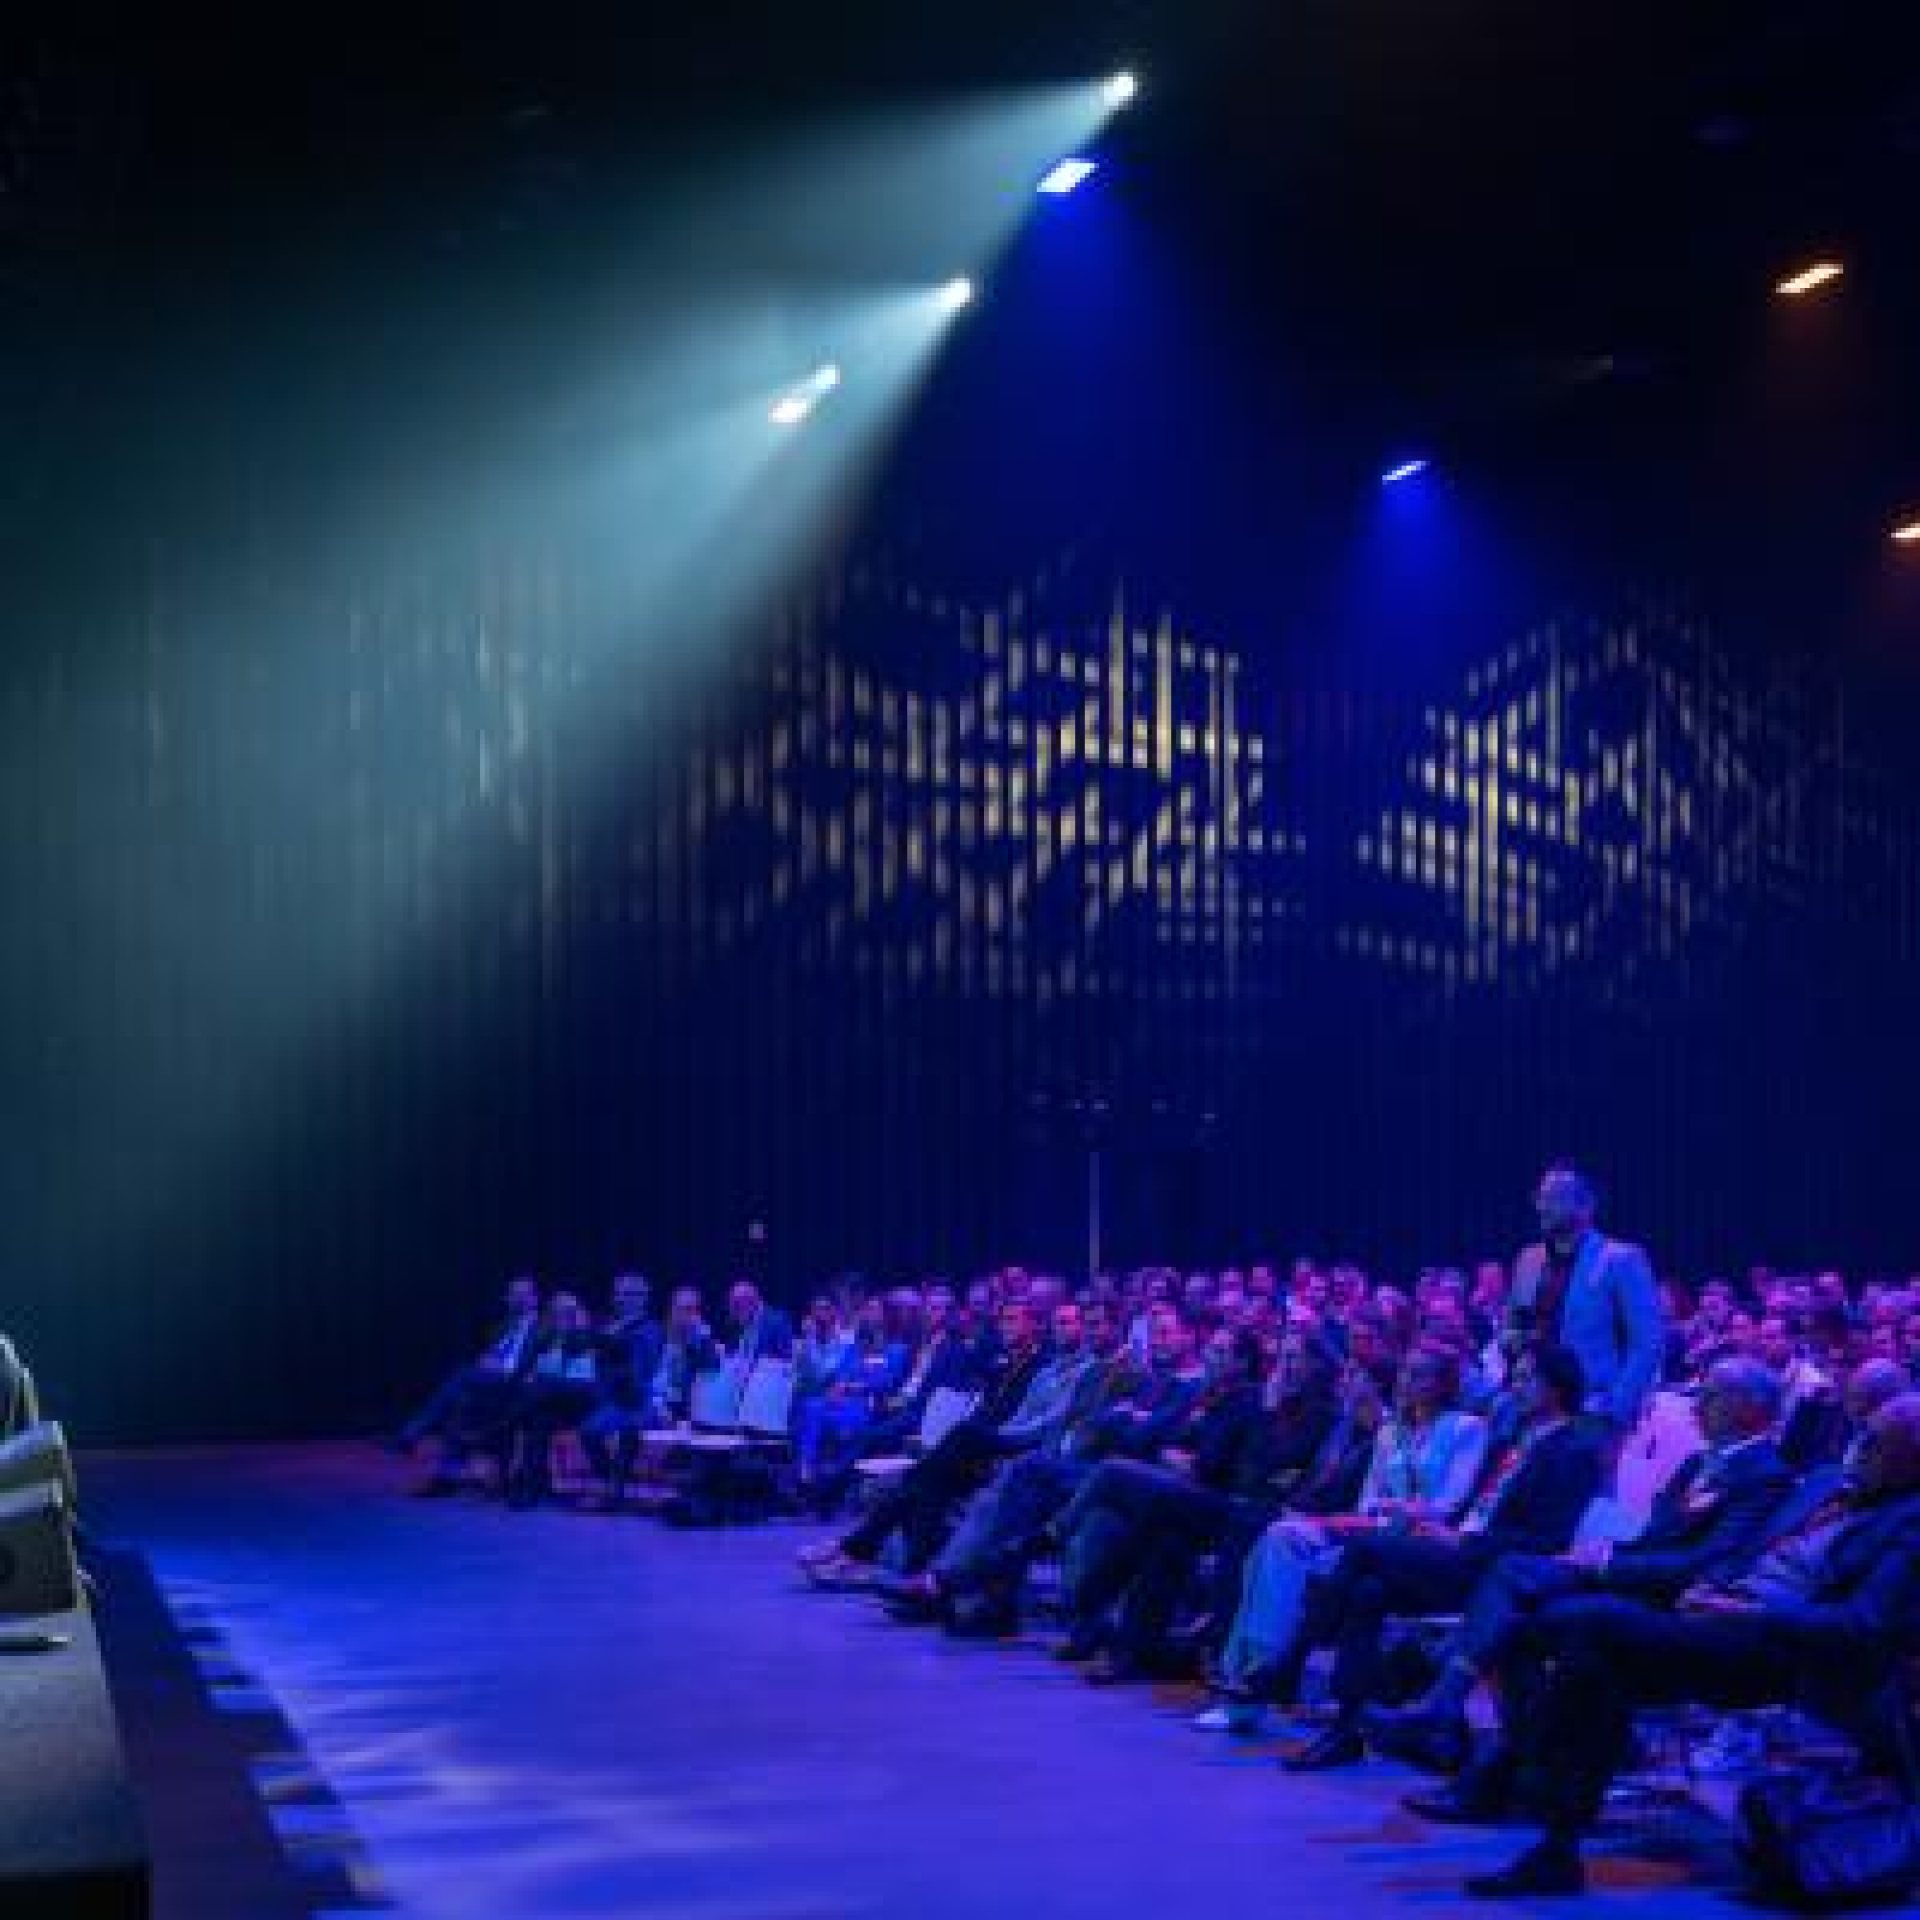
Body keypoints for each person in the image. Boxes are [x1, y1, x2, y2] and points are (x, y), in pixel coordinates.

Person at [1450, 1392, 1920, 1898]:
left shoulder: (1909, 1523)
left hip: (1781, 1649)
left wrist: (1751, 1613)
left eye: (1876, 1443)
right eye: (1863, 1434)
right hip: (1723, 1611)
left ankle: (1521, 1785)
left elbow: (1863, 1625)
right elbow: (1742, 1551)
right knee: (1569, 1646)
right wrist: (1712, 1587)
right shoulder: (1826, 1486)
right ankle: (1547, 1830)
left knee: (1589, 1630)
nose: (1858, 1446)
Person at [1364, 1354, 1794, 1773]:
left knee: (1517, 1594)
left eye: (1712, 1395)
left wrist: (1606, 1564)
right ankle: (1502, 1740)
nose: (1697, 1404)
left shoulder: (1764, 1475)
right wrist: (1600, 1553)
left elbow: (1706, 1560)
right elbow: (1653, 1539)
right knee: (1515, 1583)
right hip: (1632, 1571)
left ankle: (1473, 1722)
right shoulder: (1697, 1462)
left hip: (1672, 1596)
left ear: (1749, 1408)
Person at [1277, 1344, 1604, 1770]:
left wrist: (1462, 1542)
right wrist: (1444, 1530)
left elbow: (1548, 1540)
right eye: (1516, 1376)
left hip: (1491, 1574)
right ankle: (1345, 1729)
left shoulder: (1573, 1451)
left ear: (1557, 1387)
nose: (1515, 1386)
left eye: (1527, 1378)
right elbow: (1475, 1507)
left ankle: (1293, 1657)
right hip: (1455, 1552)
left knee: (1363, 1549)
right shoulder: (1511, 1441)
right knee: (1367, 1592)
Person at [1503, 1166, 1662, 1434]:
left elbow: (1648, 1343)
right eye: (1540, 1198)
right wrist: (1511, 1339)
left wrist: (1616, 1407)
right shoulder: (1528, 1259)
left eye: (1554, 1197)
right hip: (1532, 1408)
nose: (1543, 1206)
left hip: (1592, 1408)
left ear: (1586, 1206)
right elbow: (1512, 1325)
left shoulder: (1620, 1259)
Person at [397, 1275, 543, 1480]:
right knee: (460, 1399)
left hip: (518, 1384)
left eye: (522, 1294)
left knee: (459, 1377)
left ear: (534, 1298)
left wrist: (506, 1368)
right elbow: (493, 1354)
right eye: (513, 1294)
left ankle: (413, 1432)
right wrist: (487, 1360)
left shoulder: (545, 1327)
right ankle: (448, 1467)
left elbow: (542, 1362)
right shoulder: (503, 1327)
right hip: (491, 1382)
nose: (516, 1299)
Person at [576, 1274, 663, 1508]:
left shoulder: (649, 1328)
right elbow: (593, 1349)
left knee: (628, 1428)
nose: (622, 1299)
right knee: (587, 1432)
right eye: (619, 1294)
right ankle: (609, 1482)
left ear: (643, 1298)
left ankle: (614, 1491)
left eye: (628, 1294)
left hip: (638, 1399)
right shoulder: (612, 1325)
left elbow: (642, 1366)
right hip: (611, 1397)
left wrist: (605, 1345)